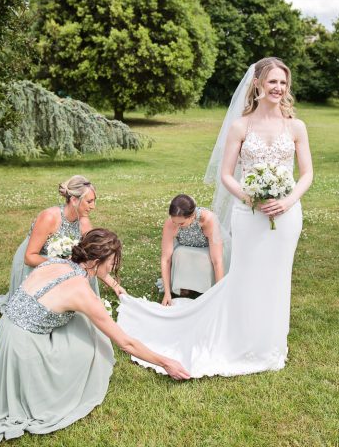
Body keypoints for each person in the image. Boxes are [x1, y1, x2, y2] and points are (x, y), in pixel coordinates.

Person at [117, 57, 313, 377]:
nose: (278, 88)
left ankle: (270, 344)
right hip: (248, 214)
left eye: (283, 82)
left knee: (278, 278)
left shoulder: (296, 127)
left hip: (286, 214)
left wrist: (287, 201)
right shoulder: (241, 126)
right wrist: (251, 198)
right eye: (272, 81)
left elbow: (306, 174)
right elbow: (226, 175)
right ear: (258, 85)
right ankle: (241, 340)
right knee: (247, 275)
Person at [0, 229, 190, 446]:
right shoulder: (81, 291)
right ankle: (58, 383)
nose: (111, 270)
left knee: (82, 321)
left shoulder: (56, 262)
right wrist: (166, 362)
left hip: (4, 335)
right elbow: (125, 343)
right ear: (96, 262)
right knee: (94, 332)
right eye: (110, 265)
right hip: (22, 350)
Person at [0, 175, 101, 315]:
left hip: (62, 263)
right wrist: (61, 263)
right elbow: (29, 258)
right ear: (74, 200)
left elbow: (93, 256)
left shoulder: (84, 222)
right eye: (89, 201)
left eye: (94, 201)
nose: (93, 206)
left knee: (84, 267)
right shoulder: (48, 217)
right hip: (34, 262)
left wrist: (114, 285)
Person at [159, 194, 228, 305]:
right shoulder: (171, 223)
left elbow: (217, 261)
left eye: (181, 223)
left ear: (192, 216)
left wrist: (218, 294)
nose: (177, 226)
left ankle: (206, 286)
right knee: (179, 253)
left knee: (206, 257)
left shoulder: (208, 220)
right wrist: (167, 293)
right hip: (185, 252)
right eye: (174, 221)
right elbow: (165, 259)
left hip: (207, 252)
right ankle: (184, 285)